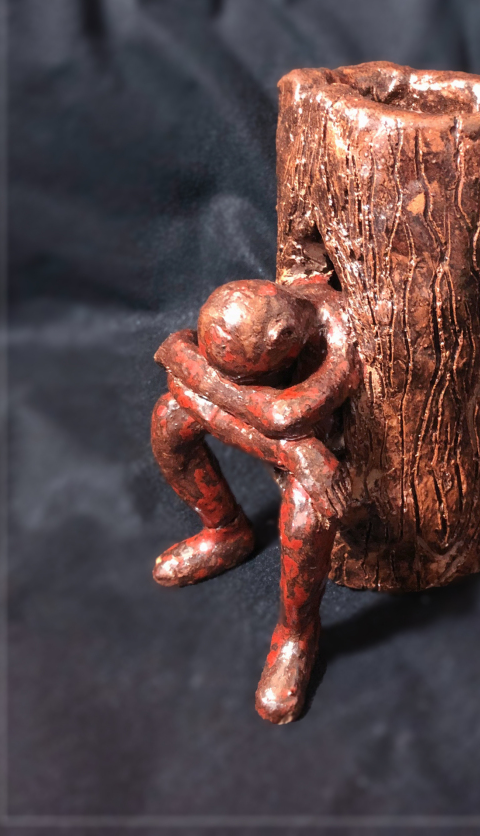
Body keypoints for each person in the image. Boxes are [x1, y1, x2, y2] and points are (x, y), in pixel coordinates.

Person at [151, 276, 358, 724]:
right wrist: (294, 451)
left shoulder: (342, 339)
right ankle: (225, 530)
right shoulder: (262, 309)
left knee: (307, 502)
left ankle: (296, 634)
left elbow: (286, 414)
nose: (240, 388)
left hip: (352, 448)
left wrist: (203, 383)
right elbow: (175, 359)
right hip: (301, 447)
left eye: (247, 380)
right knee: (170, 417)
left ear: (282, 338)